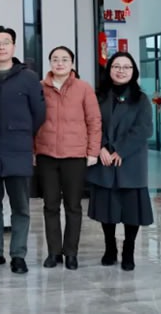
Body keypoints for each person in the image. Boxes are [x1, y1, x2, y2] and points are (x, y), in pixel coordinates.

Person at [0, 25, 45, 275]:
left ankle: (18, 255)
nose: (1, 47)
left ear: (13, 46)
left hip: (18, 150)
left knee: (20, 207)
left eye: (5, 42)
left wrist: (20, 133)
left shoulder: (29, 77)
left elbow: (39, 113)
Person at [34, 46, 101, 270]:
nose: (59, 63)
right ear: (50, 63)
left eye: (64, 59)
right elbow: (31, 120)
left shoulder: (83, 88)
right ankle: (54, 252)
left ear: (72, 63)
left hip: (75, 155)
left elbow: (94, 121)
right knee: (50, 205)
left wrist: (92, 151)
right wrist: (33, 150)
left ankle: (71, 252)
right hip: (46, 155)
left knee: (73, 206)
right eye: (55, 59)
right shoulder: (39, 87)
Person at [87, 51, 153, 271]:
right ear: (109, 70)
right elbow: (91, 124)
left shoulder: (141, 99)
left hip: (131, 161)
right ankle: (110, 248)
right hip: (104, 159)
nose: (121, 71)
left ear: (133, 71)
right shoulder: (98, 96)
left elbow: (144, 129)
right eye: (116, 66)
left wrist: (120, 151)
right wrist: (101, 148)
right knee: (107, 208)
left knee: (132, 210)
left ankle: (128, 250)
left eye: (126, 67)